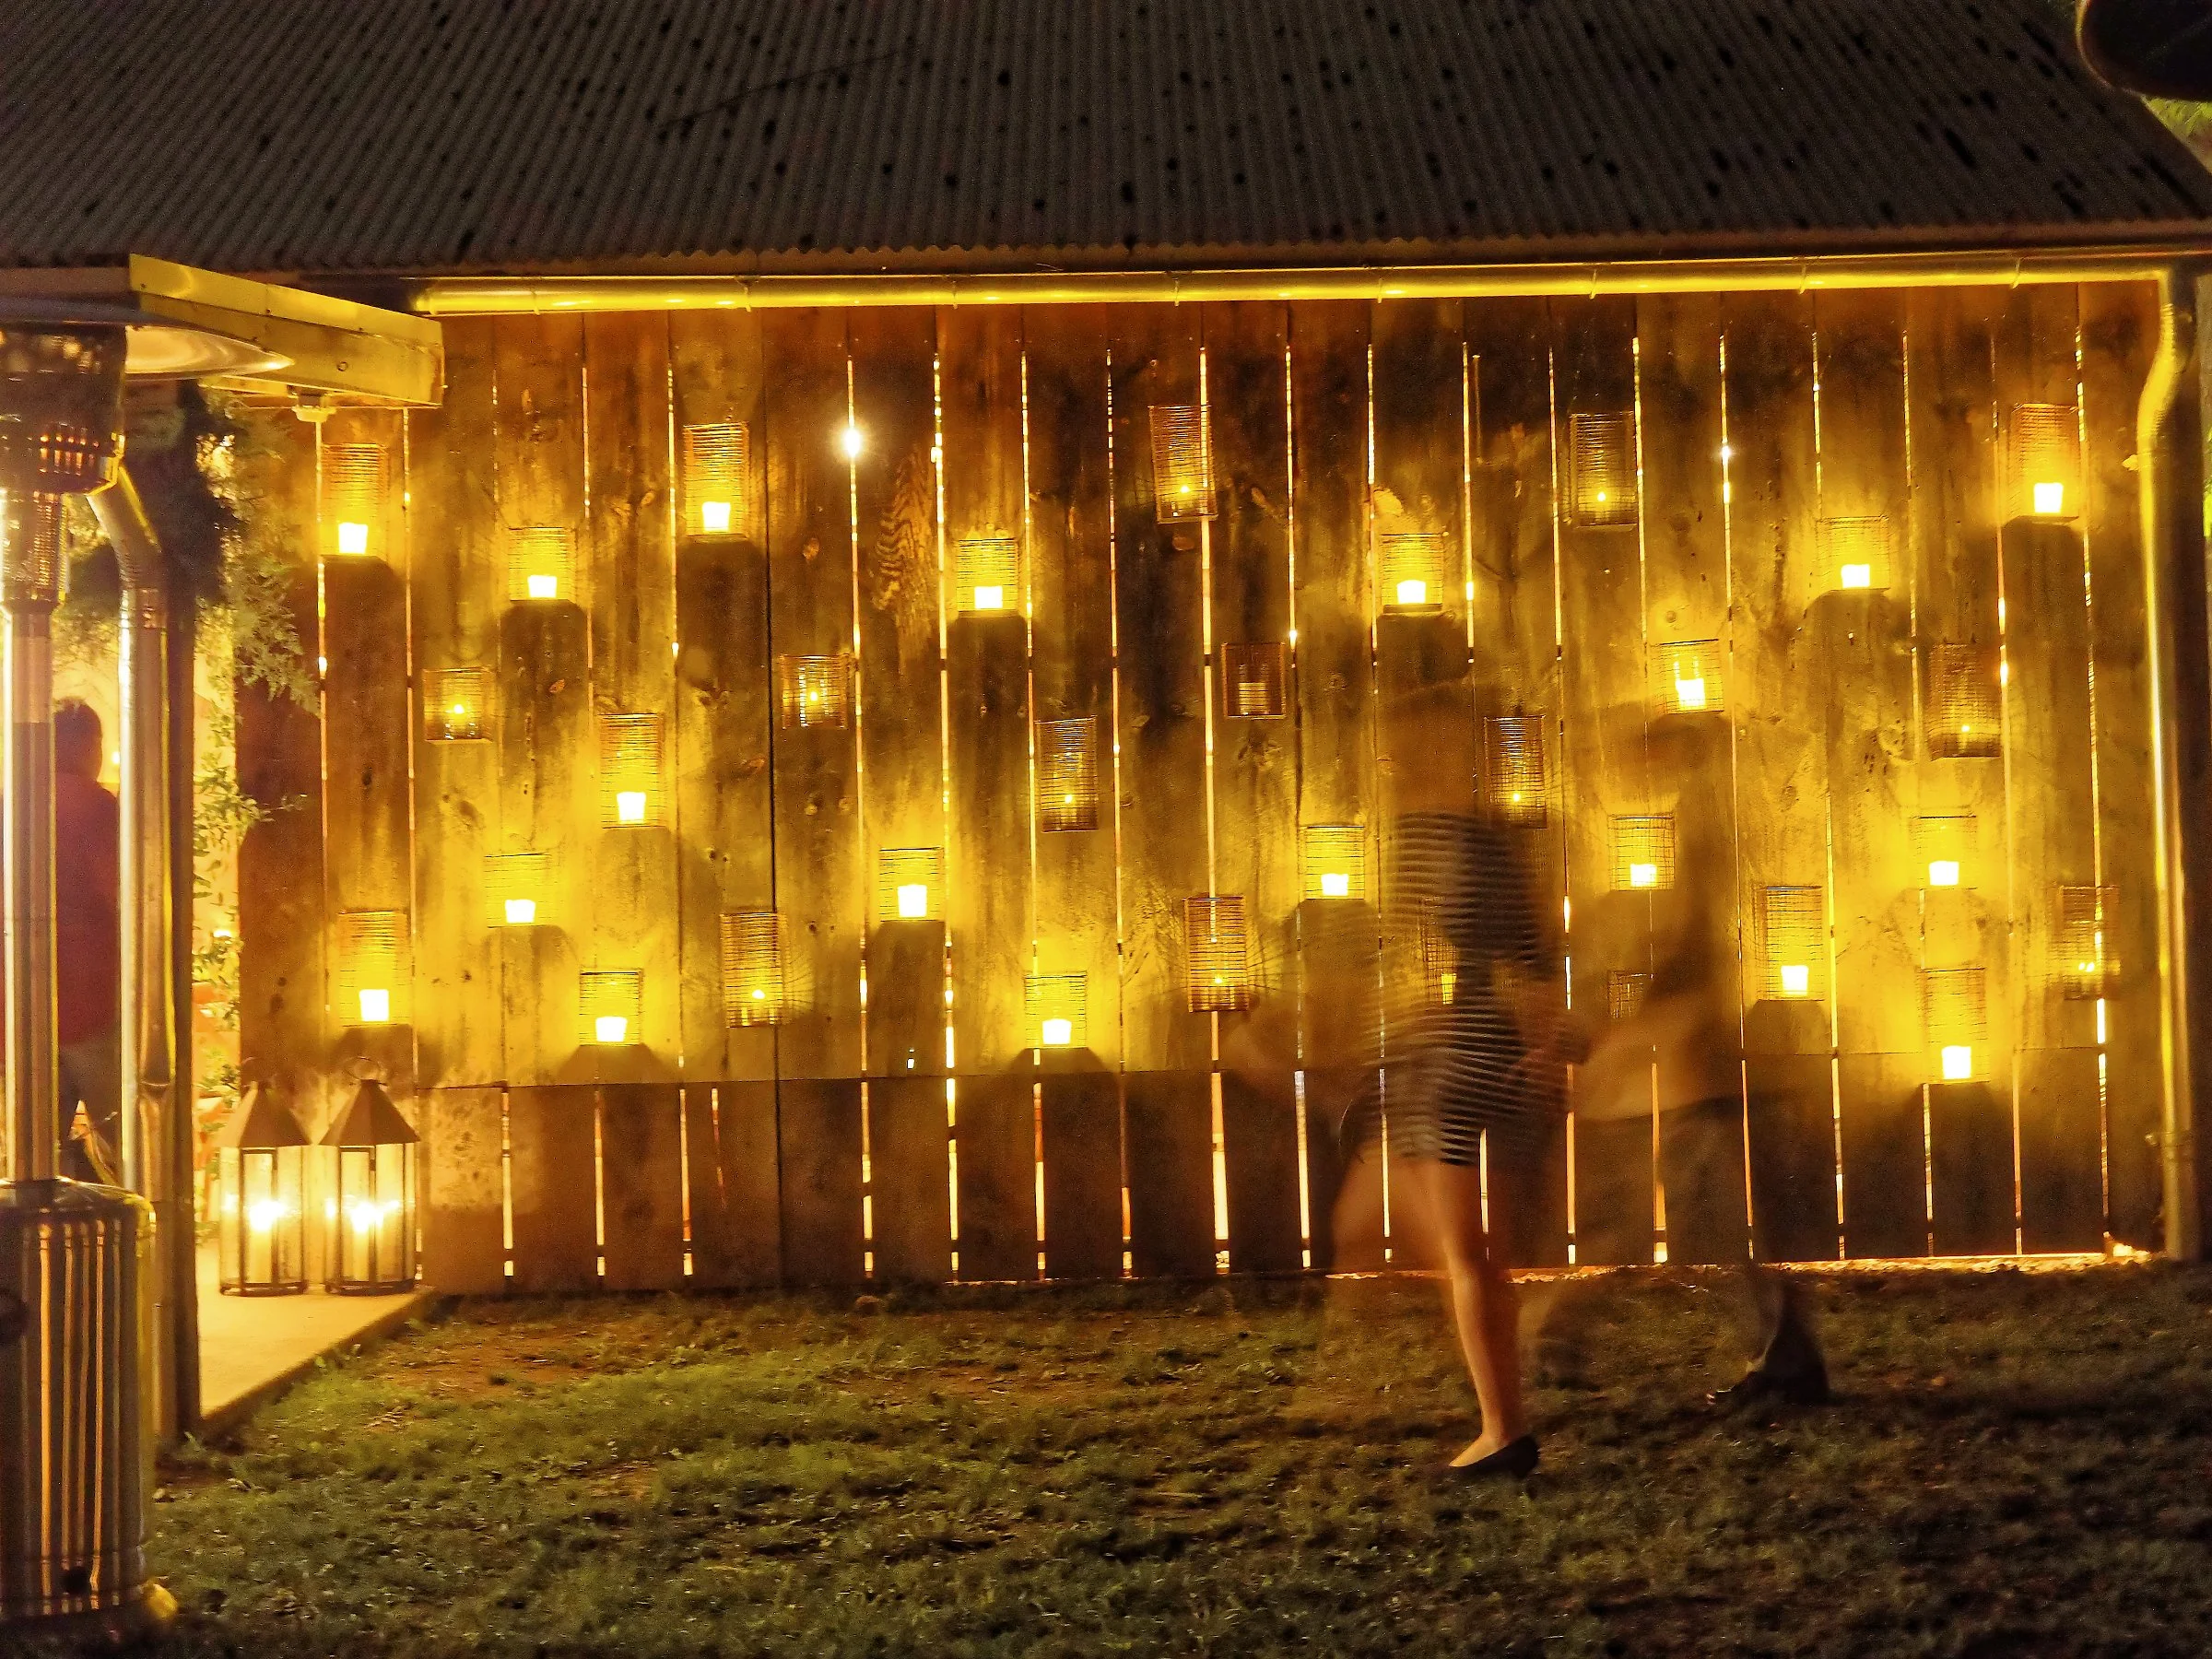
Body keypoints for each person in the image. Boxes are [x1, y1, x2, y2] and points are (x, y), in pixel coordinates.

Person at [1359, 796, 1567, 1478]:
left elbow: (1416, 975)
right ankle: (1505, 1418)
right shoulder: (1519, 883)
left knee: (1464, 1256)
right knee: (1486, 1258)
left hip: (1456, 1067)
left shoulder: (1432, 844)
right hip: (1505, 1061)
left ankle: (1501, 1429)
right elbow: (1540, 977)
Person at [53, 698, 124, 1186]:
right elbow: (116, 891)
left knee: (35, 1159)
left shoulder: (9, 804)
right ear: (90, 746)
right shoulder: (98, 808)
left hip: (23, 1018)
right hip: (92, 1002)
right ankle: (132, 1255)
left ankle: (38, 1260)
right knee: (125, 1146)